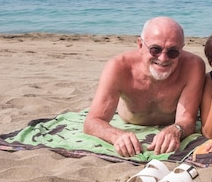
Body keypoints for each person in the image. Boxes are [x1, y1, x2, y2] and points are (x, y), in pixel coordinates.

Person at [83, 16, 205, 157]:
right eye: (155, 50)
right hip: (129, 120)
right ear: (140, 45)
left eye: (172, 52)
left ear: (181, 50)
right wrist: (116, 136)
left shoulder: (192, 66)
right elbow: (92, 121)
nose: (163, 58)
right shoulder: (119, 67)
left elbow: (187, 120)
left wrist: (176, 130)